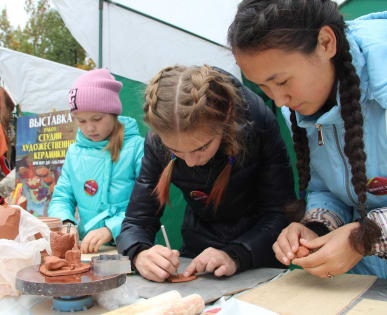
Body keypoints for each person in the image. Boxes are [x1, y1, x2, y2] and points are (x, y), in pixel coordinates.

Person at [228, 0, 387, 280]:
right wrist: (317, 227)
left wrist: (363, 239)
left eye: (282, 81)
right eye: (264, 87)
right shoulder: (300, 105)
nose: (279, 100)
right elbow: (326, 187)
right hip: (368, 284)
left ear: (326, 43)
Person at [117, 65, 295, 282]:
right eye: (175, 151)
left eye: (201, 148)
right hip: (198, 255)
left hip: (259, 254)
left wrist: (236, 254)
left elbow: (280, 212)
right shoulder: (157, 140)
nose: (191, 162)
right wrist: (139, 253)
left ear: (226, 121)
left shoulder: (257, 122)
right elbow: (137, 220)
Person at [48, 68, 144, 254]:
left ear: (113, 113)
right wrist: (66, 223)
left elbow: (147, 204)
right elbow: (62, 197)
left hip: (135, 245)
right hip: (91, 250)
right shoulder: (74, 153)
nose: (90, 128)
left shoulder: (136, 148)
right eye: (81, 121)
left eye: (97, 119)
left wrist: (112, 228)